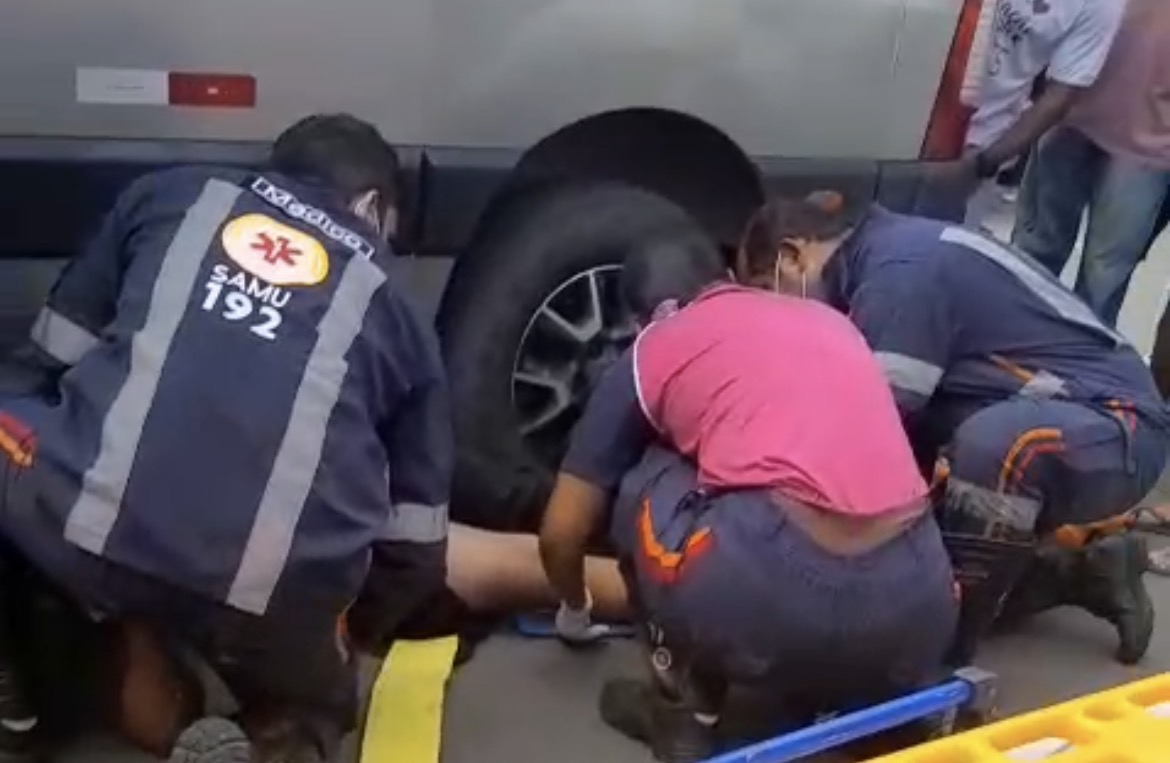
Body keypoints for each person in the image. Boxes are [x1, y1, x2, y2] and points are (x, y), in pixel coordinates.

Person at [0, 114, 451, 763]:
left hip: (104, 523)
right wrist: (347, 627)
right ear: (371, 207)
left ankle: (22, 692)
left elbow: (48, 358)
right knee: (316, 700)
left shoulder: (169, 194)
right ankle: (271, 737)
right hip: (278, 590)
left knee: (51, 520)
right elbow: (417, 548)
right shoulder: (404, 312)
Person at [538, 234, 958, 762]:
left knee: (648, 470)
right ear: (730, 280)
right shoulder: (829, 320)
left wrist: (575, 612)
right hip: (921, 595)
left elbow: (562, 532)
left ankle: (682, 710)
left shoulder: (657, 345)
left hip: (771, 595)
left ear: (644, 320)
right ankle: (877, 696)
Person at [755, 193, 1169, 666]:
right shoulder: (878, 264)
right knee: (919, 563)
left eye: (766, 289)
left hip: (1118, 421)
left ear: (792, 256)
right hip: (1040, 410)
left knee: (995, 449)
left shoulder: (901, 269)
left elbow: (871, 420)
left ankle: (945, 661)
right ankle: (1085, 573)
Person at [1012, 0, 1170, 326]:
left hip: (1149, 144)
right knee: (1031, 256)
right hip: (1067, 110)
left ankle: (1075, 355)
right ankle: (1006, 338)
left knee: (1103, 280)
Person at [956, 0, 1124, 228]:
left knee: (939, 241)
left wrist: (983, 163)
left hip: (978, 143)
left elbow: (1060, 96)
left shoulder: (1101, 5)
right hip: (915, 109)